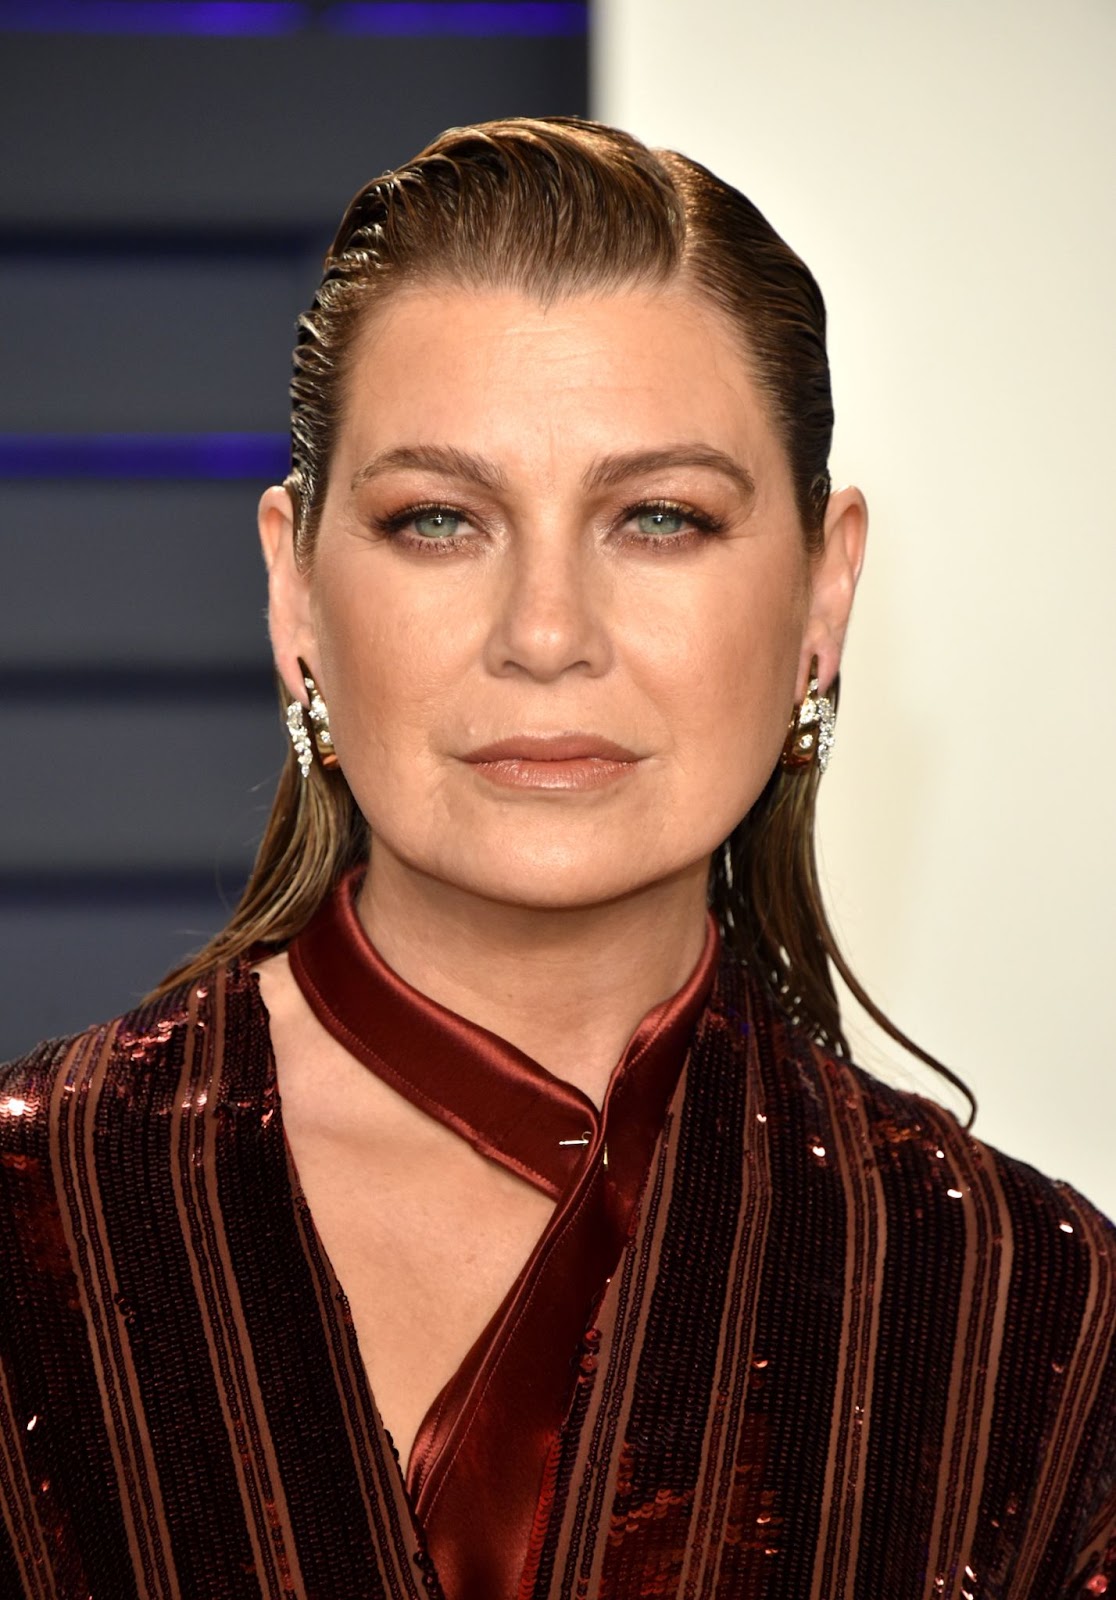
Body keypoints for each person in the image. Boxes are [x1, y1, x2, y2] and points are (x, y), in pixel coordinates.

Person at [1, 117, 1113, 1600]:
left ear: (823, 592)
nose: (545, 634)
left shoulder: (1029, 1312)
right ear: (297, 591)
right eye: (439, 520)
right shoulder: (29, 1222)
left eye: (658, 517)